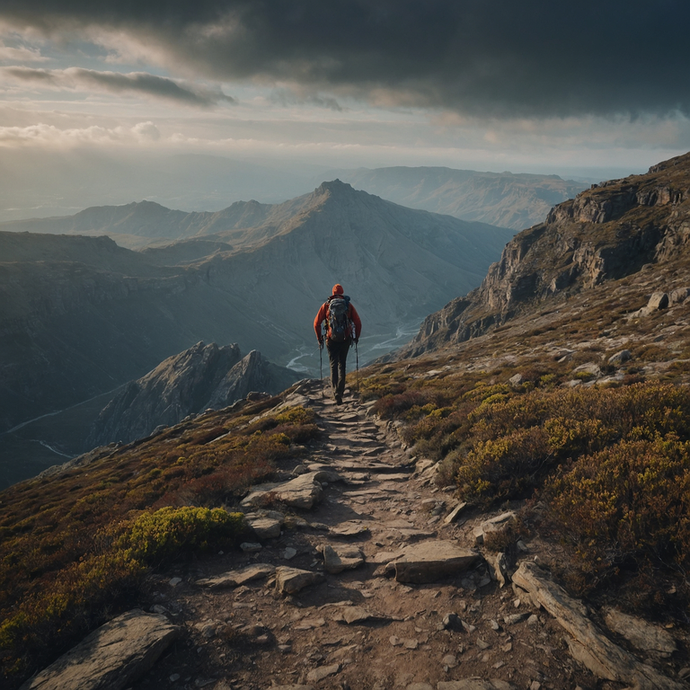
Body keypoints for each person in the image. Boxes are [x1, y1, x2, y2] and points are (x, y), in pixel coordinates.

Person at [313, 284, 362, 404]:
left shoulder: (326, 306)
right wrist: (356, 338)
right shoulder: (347, 305)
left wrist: (319, 339)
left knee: (333, 365)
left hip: (331, 339)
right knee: (342, 365)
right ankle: (340, 391)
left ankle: (335, 392)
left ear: (333, 293)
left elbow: (316, 324)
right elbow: (358, 322)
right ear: (342, 292)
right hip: (345, 339)